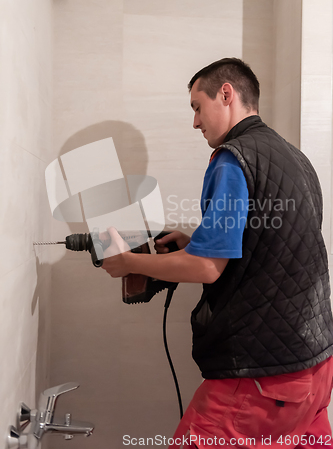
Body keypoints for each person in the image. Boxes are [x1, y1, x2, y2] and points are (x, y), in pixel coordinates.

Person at [102, 58, 333, 448]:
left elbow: (208, 268)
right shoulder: (295, 158)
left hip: (261, 375)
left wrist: (128, 262)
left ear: (226, 94)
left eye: (196, 106)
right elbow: (270, 243)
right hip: (316, 366)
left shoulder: (232, 158)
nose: (195, 122)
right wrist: (196, 240)